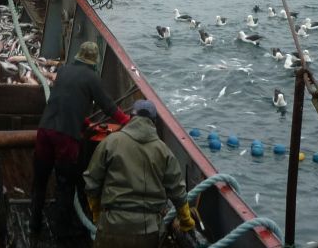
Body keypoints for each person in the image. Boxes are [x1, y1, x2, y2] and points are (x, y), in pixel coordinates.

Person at [31, 41, 131, 238]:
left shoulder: (64, 70)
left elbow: (62, 99)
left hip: (44, 130)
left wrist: (82, 120)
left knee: (40, 182)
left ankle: (34, 225)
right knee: (65, 185)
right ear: (94, 61)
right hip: (66, 137)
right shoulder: (92, 78)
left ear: (78, 56)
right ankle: (62, 233)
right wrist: (128, 121)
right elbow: (109, 107)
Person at [83, 99, 196, 247]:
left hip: (111, 226)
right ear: (153, 122)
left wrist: (97, 215)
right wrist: (186, 221)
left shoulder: (110, 142)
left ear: (131, 118)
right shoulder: (164, 152)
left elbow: (91, 182)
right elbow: (178, 192)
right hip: (148, 232)